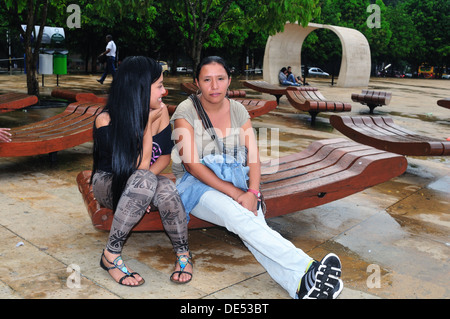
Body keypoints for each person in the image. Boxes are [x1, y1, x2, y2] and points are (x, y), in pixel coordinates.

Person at [171, 56, 343, 299]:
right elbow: (191, 165)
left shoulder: (238, 110)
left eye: (220, 79)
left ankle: (301, 288)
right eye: (207, 80)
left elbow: (253, 155)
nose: (214, 86)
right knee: (238, 216)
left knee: (253, 226)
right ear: (196, 83)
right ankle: (309, 267)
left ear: (229, 81)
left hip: (237, 181)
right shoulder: (185, 111)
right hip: (197, 187)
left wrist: (252, 192)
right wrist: (238, 194)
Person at [91, 56, 192, 286]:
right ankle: (111, 255)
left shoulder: (161, 112)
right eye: (159, 86)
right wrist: (146, 124)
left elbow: (164, 156)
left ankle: (184, 254)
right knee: (145, 180)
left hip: (144, 178)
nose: (164, 92)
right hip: (109, 182)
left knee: (166, 189)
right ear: (139, 89)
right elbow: (137, 167)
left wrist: (143, 188)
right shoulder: (105, 121)